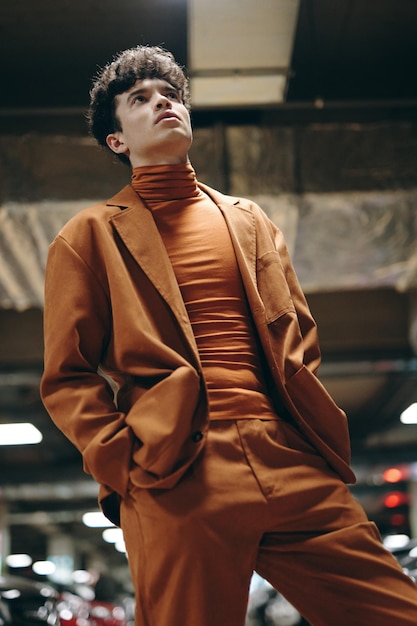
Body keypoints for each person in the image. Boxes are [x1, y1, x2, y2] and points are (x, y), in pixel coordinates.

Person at [40, 45, 417, 626]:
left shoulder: (249, 218)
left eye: (170, 95)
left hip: (288, 456)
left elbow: (297, 332)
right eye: (140, 99)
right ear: (117, 141)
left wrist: (300, 432)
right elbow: (67, 375)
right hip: (178, 470)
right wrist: (129, 464)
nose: (163, 103)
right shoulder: (88, 236)